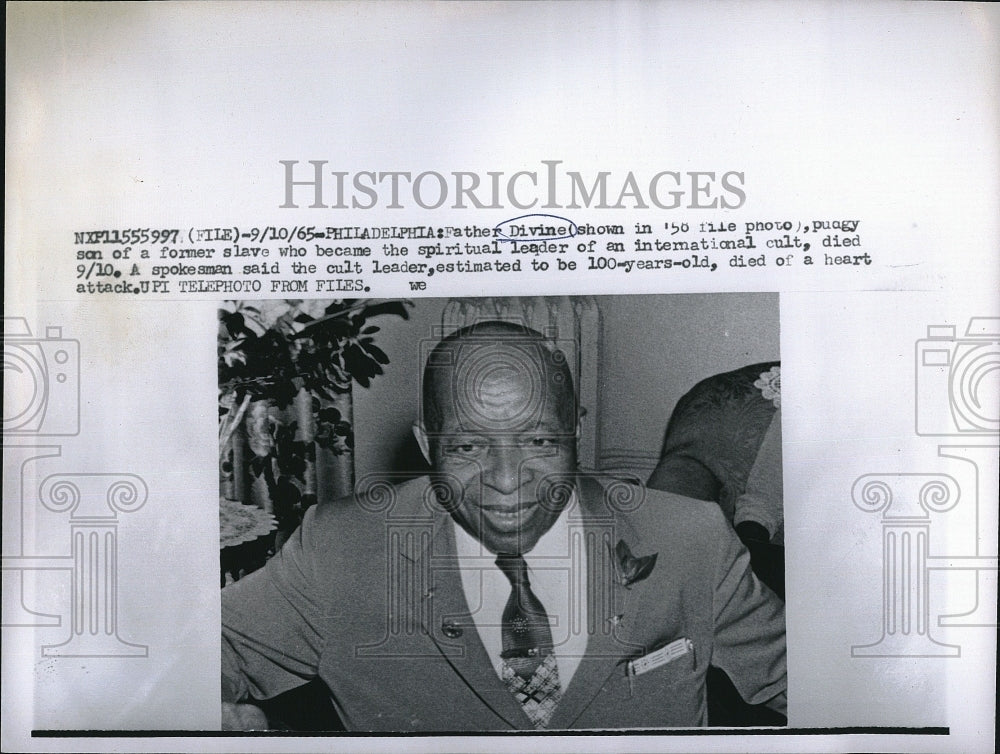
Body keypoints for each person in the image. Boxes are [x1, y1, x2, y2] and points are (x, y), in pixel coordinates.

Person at [221, 321, 786, 731]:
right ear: (426, 446)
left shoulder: (693, 538)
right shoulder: (339, 549)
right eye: (467, 446)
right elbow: (196, 659)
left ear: (574, 431)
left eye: (539, 441)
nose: (508, 480)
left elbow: (807, 682)